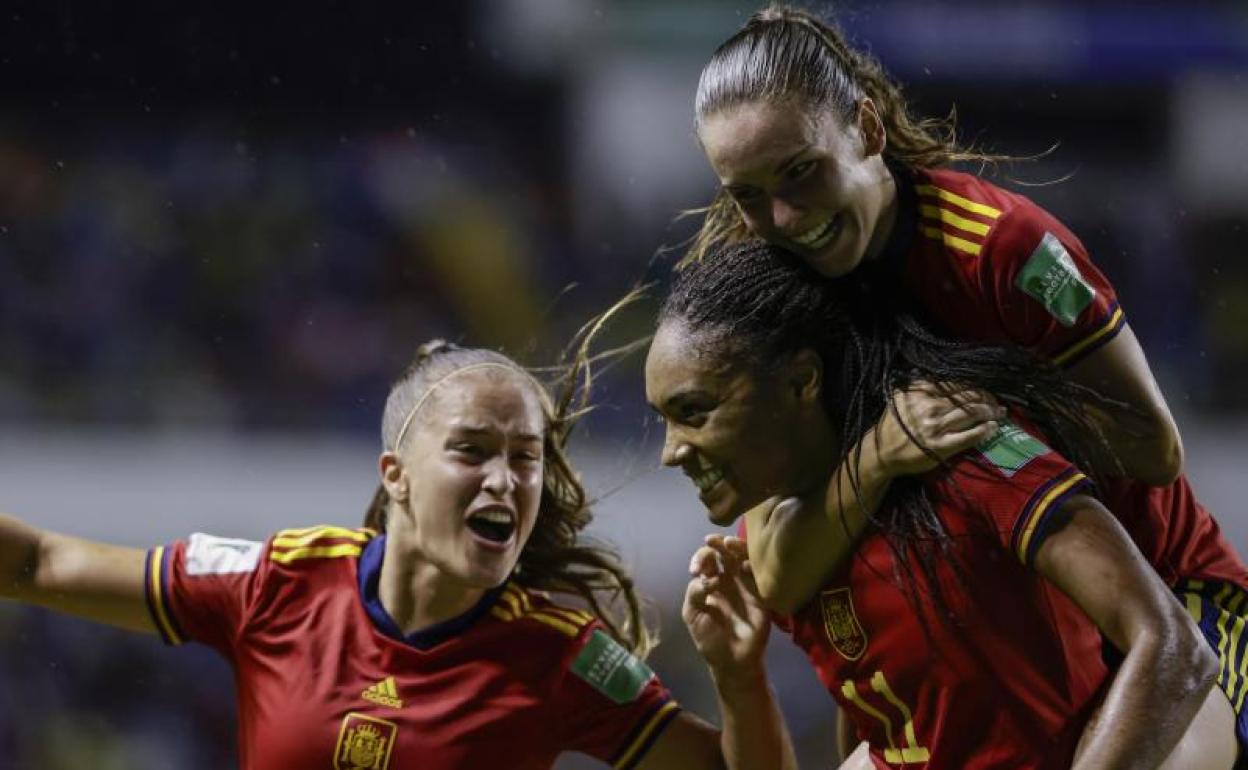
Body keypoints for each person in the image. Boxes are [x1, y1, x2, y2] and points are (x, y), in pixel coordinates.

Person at [0, 339, 794, 770]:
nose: (505, 479)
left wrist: (738, 678)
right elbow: (35, 565)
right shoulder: (275, 582)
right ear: (397, 476)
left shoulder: (562, 660)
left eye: (525, 458)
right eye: (472, 450)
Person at [646, 239, 1245, 769]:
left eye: (694, 412)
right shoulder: (776, 544)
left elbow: (1175, 653)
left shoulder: (963, 443)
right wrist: (738, 678)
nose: (671, 453)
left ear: (802, 380)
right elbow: (884, 724)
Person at [684, 2, 1198, 619]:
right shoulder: (771, 290)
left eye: (802, 172)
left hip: (1174, 589)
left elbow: (1155, 448)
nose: (786, 217)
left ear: (867, 130)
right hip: (1024, 631)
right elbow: (774, 570)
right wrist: (880, 453)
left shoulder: (1006, 249)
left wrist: (978, 410)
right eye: (748, 195)